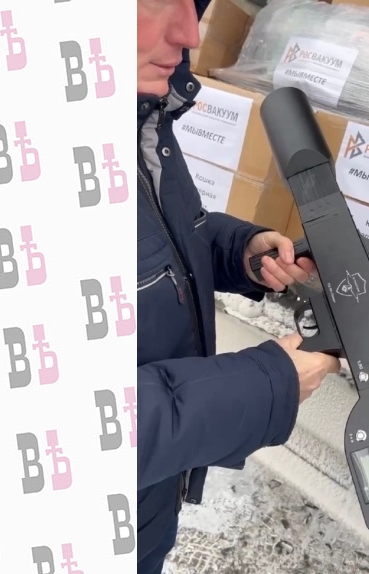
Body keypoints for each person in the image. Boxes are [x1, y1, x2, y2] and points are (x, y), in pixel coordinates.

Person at [136, 1, 344, 572]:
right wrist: (268, 382)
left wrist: (240, 252)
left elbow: (162, 236)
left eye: (192, 3)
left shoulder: (140, 123)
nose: (188, 33)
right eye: (152, 2)